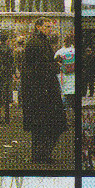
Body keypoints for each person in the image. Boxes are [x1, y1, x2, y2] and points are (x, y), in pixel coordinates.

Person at [21, 18, 66, 164]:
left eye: (50, 26)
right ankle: (41, 155)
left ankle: (40, 155)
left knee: (41, 125)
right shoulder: (36, 43)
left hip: (40, 89)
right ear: (38, 27)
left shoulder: (38, 42)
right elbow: (40, 67)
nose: (49, 29)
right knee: (47, 124)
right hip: (42, 90)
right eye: (46, 26)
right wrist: (55, 64)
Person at [0, 32, 15, 124]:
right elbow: (12, 61)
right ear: (7, 40)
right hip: (7, 73)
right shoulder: (9, 49)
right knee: (7, 95)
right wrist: (13, 72)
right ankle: (7, 117)